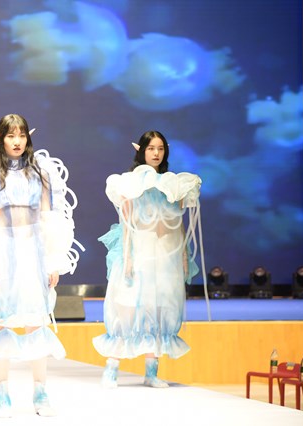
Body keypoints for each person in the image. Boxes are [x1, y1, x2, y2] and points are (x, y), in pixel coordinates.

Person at [0, 114, 83, 417]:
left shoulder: (41, 173)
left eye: (22, 135)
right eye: (11, 135)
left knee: (36, 321)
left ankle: (40, 392)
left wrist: (53, 261)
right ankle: (2, 394)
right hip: (2, 250)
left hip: (34, 251)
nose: (17, 141)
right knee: (2, 322)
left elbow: (49, 217)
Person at [92, 130, 201, 388]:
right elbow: (127, 222)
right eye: (151, 148)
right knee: (129, 307)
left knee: (160, 307)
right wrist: (127, 256)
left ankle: (151, 372)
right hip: (140, 248)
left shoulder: (174, 184)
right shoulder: (130, 183)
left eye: (160, 149)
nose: (156, 153)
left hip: (166, 251)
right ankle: (112, 368)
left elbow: (178, 222)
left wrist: (184, 255)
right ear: (141, 150)